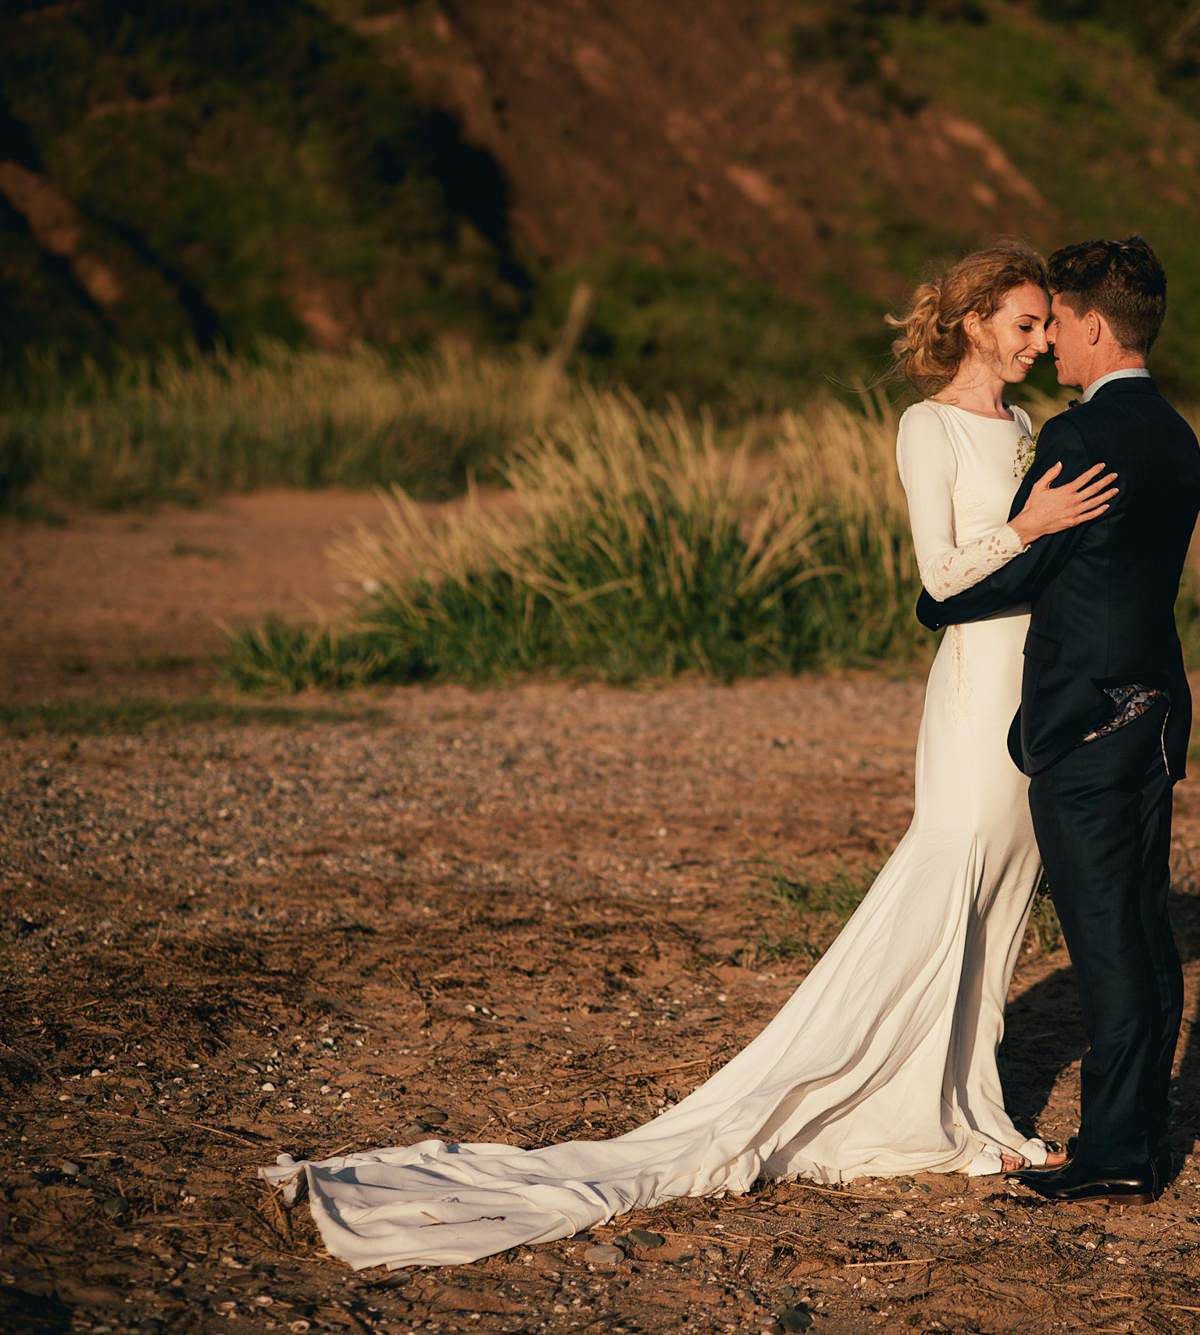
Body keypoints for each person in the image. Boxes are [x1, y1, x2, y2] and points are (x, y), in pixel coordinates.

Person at [259, 240, 1119, 1268]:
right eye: (1022, 323)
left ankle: (962, 1103)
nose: (1038, 340)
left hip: (1041, 679)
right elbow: (937, 573)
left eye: (1043, 326)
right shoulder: (924, 425)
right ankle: (884, 1099)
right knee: (954, 866)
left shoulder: (1025, 425)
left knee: (1005, 890)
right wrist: (1030, 522)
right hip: (976, 682)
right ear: (975, 322)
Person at [915, 235, 1200, 1206]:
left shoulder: (1082, 439)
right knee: (1144, 930)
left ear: (1090, 324)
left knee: (1105, 938)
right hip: (1154, 709)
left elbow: (1016, 575)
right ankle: (1140, 1134)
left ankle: (1118, 1149)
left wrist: (951, 594)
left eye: (1057, 326)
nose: (1051, 347)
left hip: (1083, 719)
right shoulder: (1173, 432)